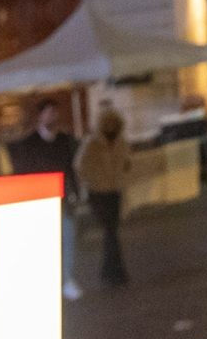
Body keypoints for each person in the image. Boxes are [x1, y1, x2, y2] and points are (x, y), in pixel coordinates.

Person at [9, 99, 83, 300]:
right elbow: (23, 174)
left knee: (67, 241)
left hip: (63, 200)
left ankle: (66, 280)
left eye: (54, 113)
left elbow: (70, 169)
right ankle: (45, 282)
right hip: (40, 202)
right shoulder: (28, 144)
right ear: (40, 116)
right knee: (43, 244)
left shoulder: (63, 140)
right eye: (49, 113)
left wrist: (75, 193)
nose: (52, 117)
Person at [74, 106, 136, 287]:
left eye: (113, 122)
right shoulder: (92, 142)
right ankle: (115, 273)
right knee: (110, 231)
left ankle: (111, 273)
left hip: (114, 191)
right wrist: (93, 181)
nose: (111, 125)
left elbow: (128, 163)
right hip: (98, 192)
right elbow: (80, 165)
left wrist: (122, 176)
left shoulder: (121, 142)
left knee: (111, 232)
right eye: (107, 122)